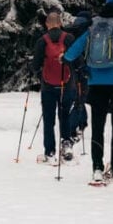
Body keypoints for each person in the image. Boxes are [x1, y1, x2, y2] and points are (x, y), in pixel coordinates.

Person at [63, 0, 113, 183]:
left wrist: (65, 59)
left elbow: (72, 52)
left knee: (98, 125)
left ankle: (97, 168)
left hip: (96, 81)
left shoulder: (91, 25)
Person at [32, 11, 75, 163]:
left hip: (48, 85)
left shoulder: (42, 41)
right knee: (65, 115)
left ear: (47, 24)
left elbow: (36, 65)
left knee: (49, 119)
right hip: (67, 84)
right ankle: (67, 145)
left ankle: (50, 152)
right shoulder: (69, 38)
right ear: (60, 22)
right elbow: (76, 60)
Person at [66, 9, 92, 141]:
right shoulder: (87, 32)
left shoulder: (69, 30)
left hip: (68, 70)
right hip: (82, 70)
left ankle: (83, 123)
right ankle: (71, 130)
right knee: (80, 100)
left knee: (79, 98)